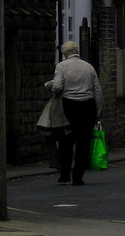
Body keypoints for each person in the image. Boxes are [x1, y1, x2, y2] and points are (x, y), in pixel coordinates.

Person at [47, 40, 103, 185]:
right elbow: (97, 91)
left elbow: (58, 87)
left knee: (66, 142)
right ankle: (78, 177)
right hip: (88, 107)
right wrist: (97, 112)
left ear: (65, 53)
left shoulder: (62, 66)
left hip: (69, 106)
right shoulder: (89, 67)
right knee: (83, 144)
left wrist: (51, 86)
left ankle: (65, 175)